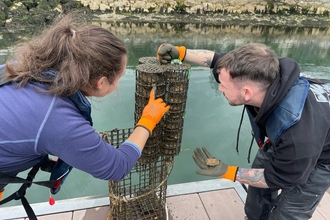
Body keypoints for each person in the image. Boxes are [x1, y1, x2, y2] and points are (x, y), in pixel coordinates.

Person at [0, 14, 170, 218]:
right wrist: (147, 121)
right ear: (101, 82)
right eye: (119, 77)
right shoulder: (57, 119)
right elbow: (117, 167)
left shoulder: (21, 67)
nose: (118, 84)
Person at [156, 43, 330, 220]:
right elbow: (218, 61)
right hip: (291, 140)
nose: (219, 88)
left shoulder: (297, 135)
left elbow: (277, 177)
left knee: (289, 211)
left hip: (322, 156)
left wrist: (229, 171)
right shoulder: (264, 70)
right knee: (257, 194)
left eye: (223, 86)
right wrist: (181, 53)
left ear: (247, 93)